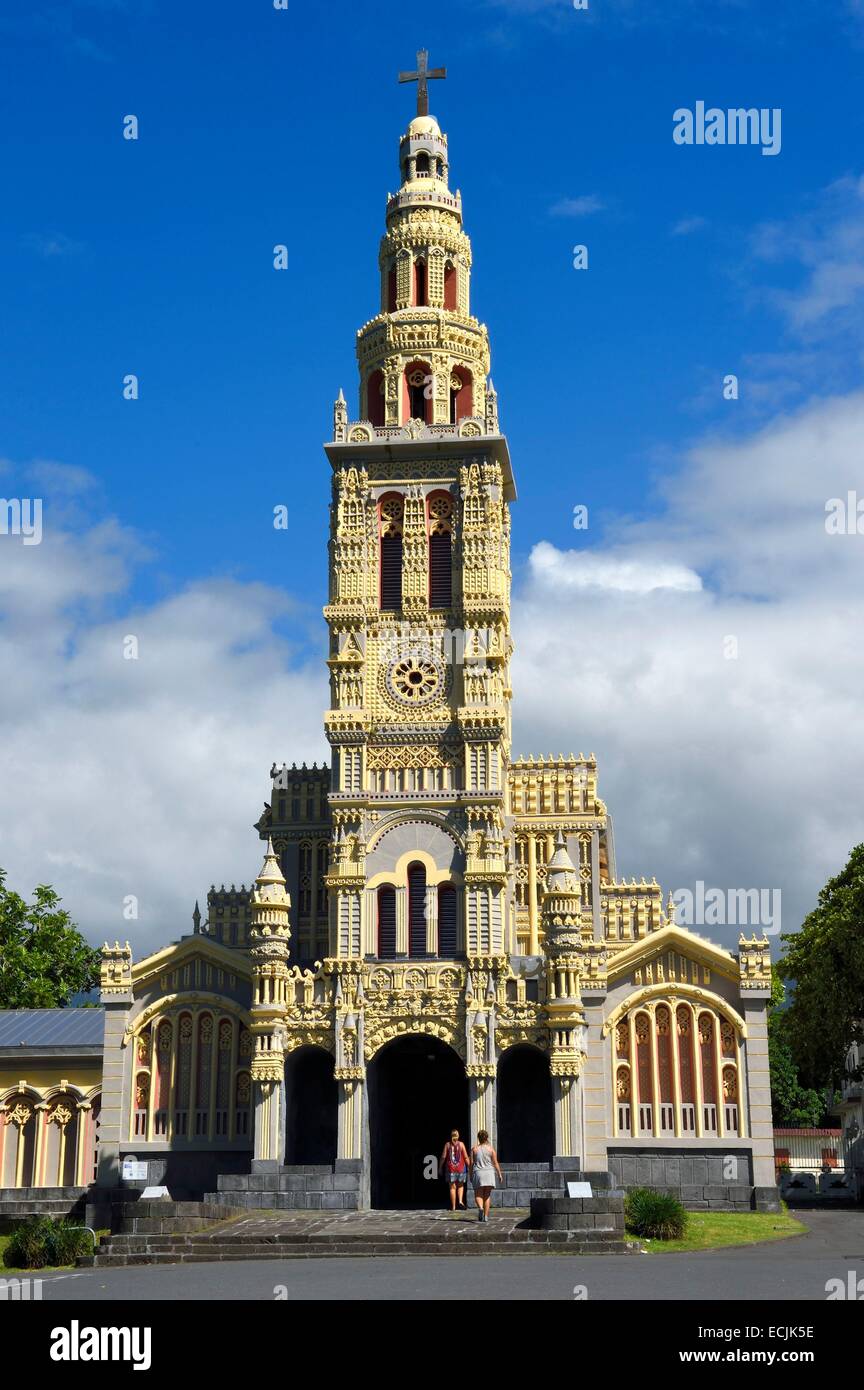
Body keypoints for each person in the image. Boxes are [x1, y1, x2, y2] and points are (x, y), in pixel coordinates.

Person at [470, 1129, 503, 1222]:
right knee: (487, 1195)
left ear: (478, 1138)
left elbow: (471, 1163)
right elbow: (495, 1162)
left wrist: (470, 1174)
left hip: (478, 1173)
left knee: (478, 1194)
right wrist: (499, 1174)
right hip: (489, 1173)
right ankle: (486, 1216)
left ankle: (480, 1208)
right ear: (486, 1138)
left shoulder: (474, 1149)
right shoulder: (491, 1149)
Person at [439, 1129, 470, 1211]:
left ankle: (453, 1207)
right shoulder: (461, 1144)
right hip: (461, 1169)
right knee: (460, 1186)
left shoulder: (447, 1145)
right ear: (458, 1136)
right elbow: (466, 1157)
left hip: (451, 1169)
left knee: (452, 1188)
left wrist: (440, 1167)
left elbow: (443, 1157)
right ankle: (460, 1201)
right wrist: (470, 1166)